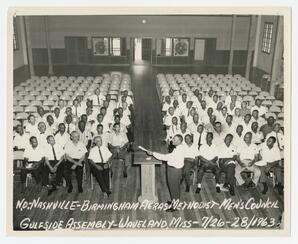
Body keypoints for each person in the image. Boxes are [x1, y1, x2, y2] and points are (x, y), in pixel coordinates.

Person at [146, 135, 185, 212]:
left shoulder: (178, 151)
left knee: (174, 188)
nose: (172, 140)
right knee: (175, 187)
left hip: (174, 171)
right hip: (177, 170)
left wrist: (152, 153)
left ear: (179, 141)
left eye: (174, 139)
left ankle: (175, 206)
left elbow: (165, 157)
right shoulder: (180, 147)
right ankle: (175, 201)